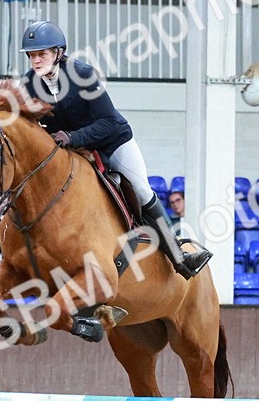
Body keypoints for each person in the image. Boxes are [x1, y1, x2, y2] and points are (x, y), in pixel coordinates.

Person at [19, 20, 211, 279]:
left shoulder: (83, 75)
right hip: (73, 151)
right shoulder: (29, 84)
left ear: (58, 52)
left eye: (41, 54)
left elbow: (108, 121)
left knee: (141, 189)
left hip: (112, 142)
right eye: (31, 55)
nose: (36, 60)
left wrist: (73, 136)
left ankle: (179, 256)